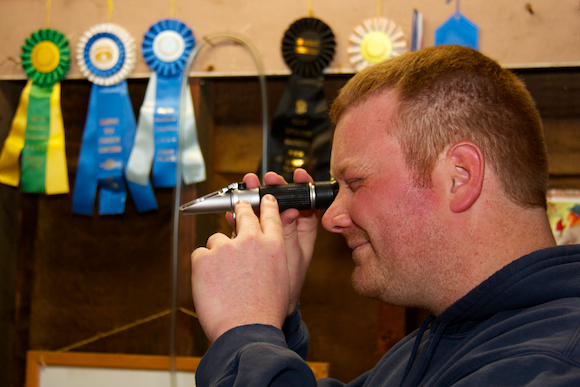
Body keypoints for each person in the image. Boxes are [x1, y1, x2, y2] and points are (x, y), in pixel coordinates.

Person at [190, 45, 580, 386]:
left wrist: (245, 333)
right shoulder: (446, 340)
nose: (331, 218)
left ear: (460, 176)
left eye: (355, 182)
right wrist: (275, 313)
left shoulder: (551, 365)